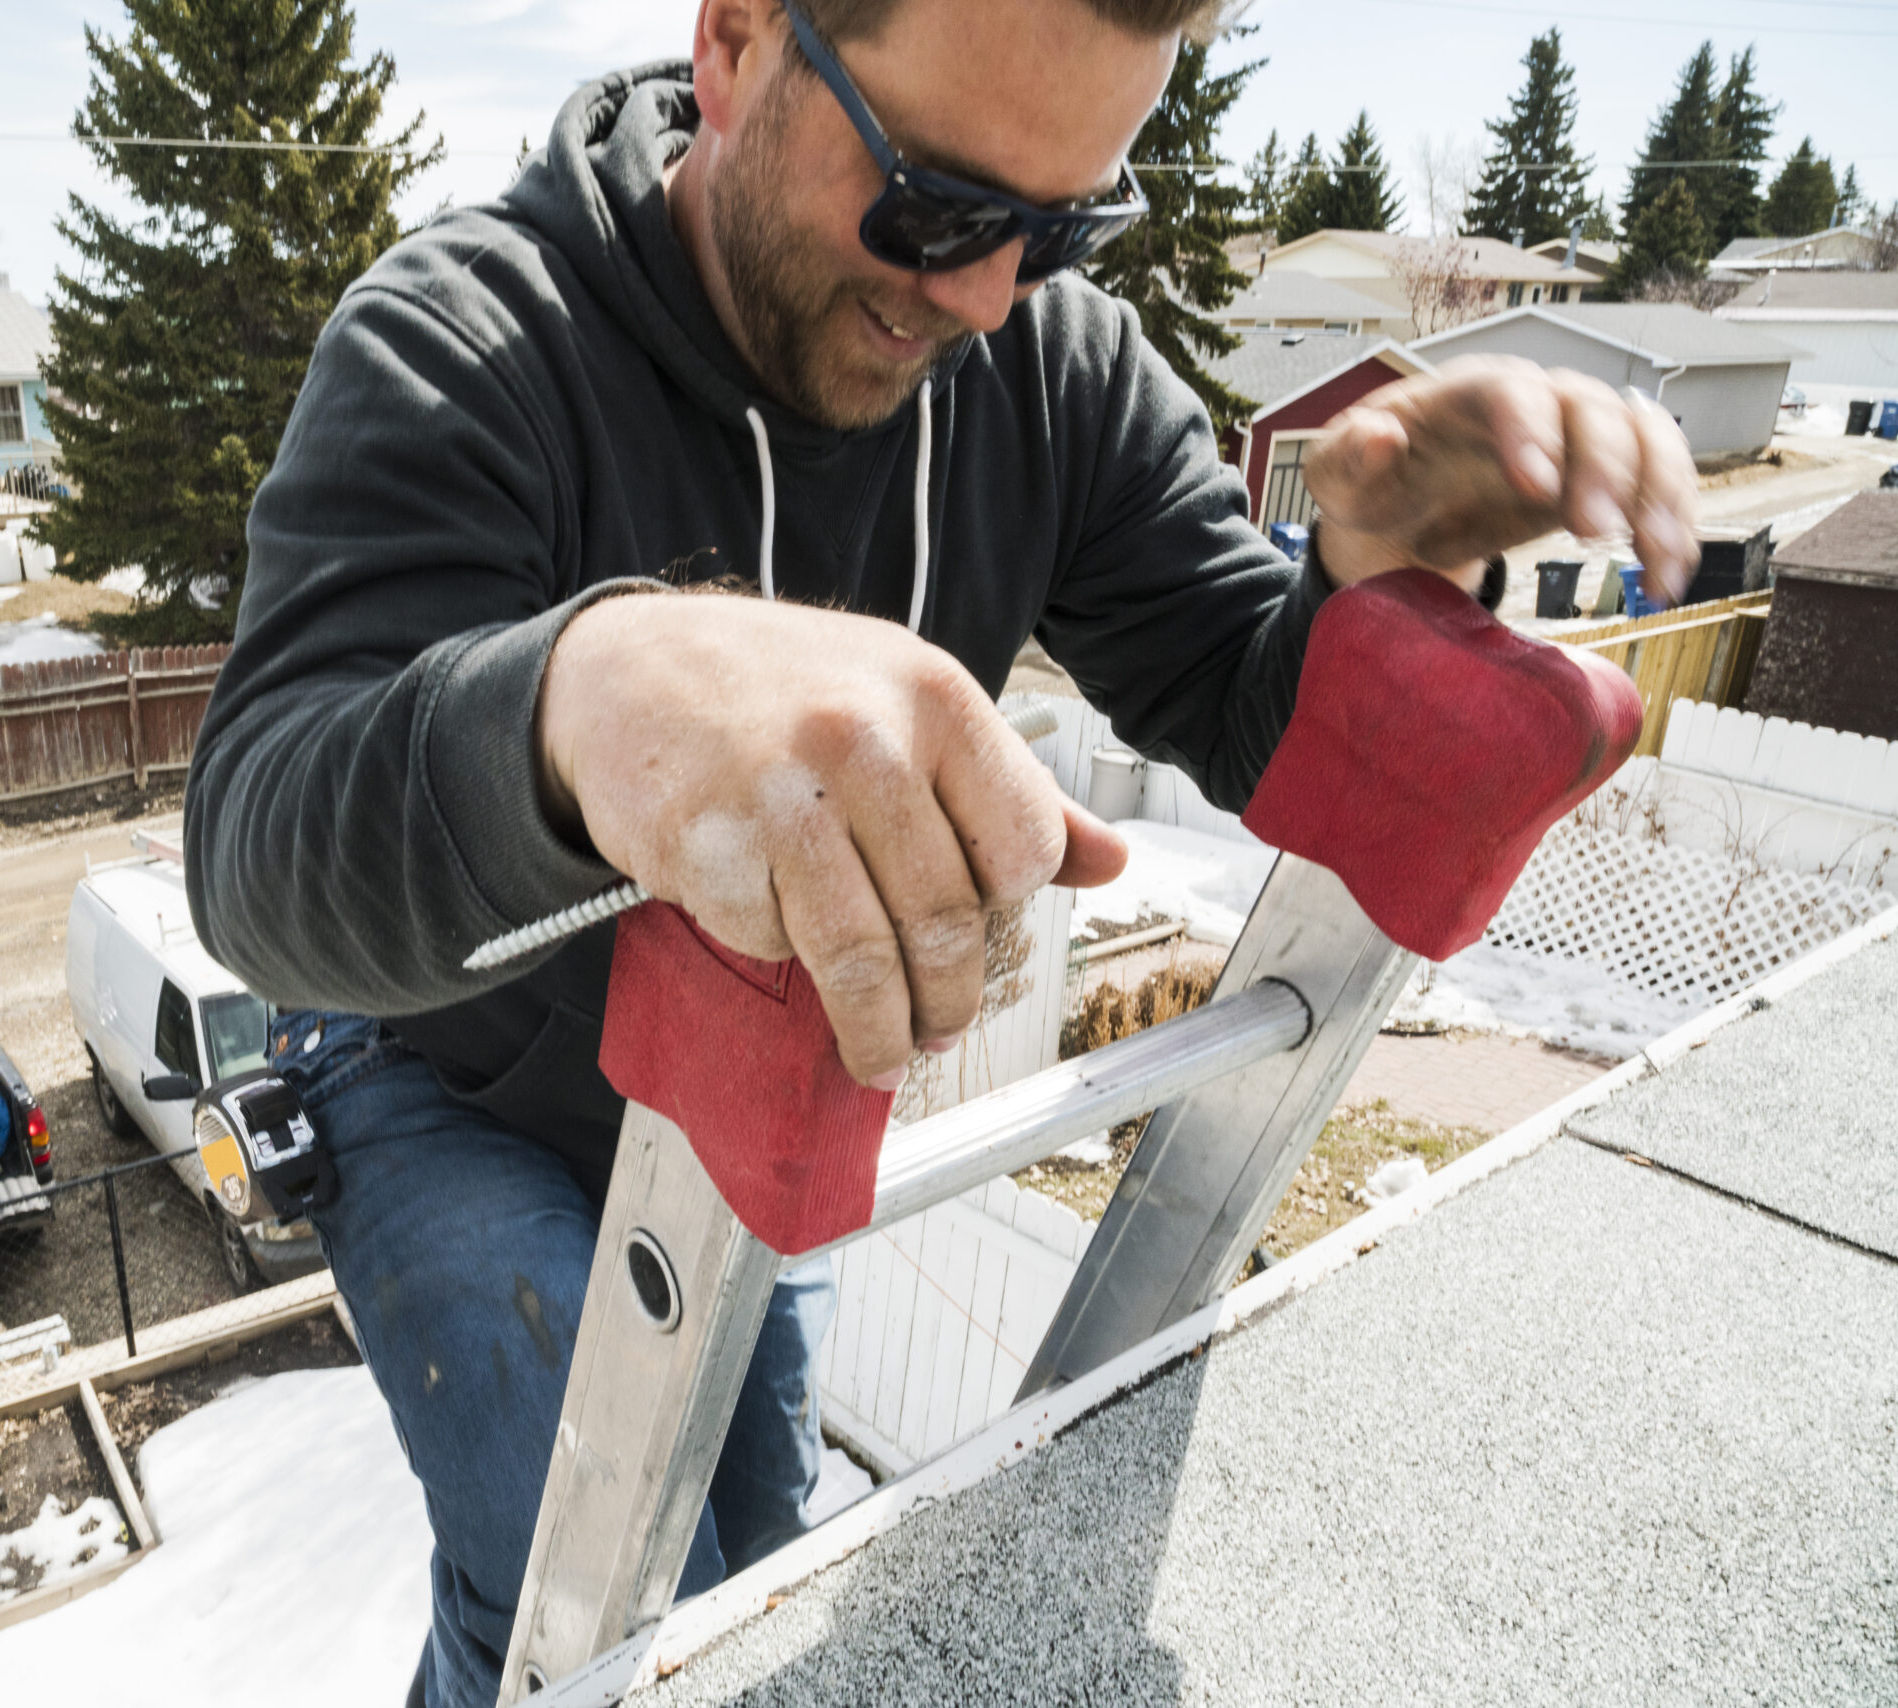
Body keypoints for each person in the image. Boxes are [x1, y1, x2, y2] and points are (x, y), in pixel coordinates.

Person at [183, 0, 1698, 1700]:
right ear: (739, 43)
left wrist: (1380, 583)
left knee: (754, 1551)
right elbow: (255, 853)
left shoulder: (1048, 367)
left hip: (747, 1106)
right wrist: (580, 696)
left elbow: (1247, 713)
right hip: (439, 1076)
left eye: (1065, 227)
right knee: (576, 1590)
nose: (984, 293)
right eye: (939, 203)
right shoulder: (468, 337)